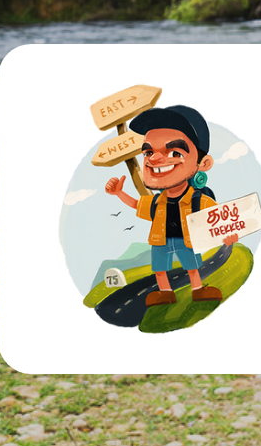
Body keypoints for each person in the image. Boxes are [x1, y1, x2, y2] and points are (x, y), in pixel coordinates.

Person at [102, 104, 238, 306]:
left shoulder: (198, 200)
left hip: (186, 240)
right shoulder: (158, 201)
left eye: (175, 153)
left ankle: (198, 290)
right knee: (160, 269)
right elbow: (137, 204)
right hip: (161, 240)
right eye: (148, 152)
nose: (155, 159)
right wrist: (119, 193)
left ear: (204, 163)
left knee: (192, 267)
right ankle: (165, 292)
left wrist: (228, 235)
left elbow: (218, 220)